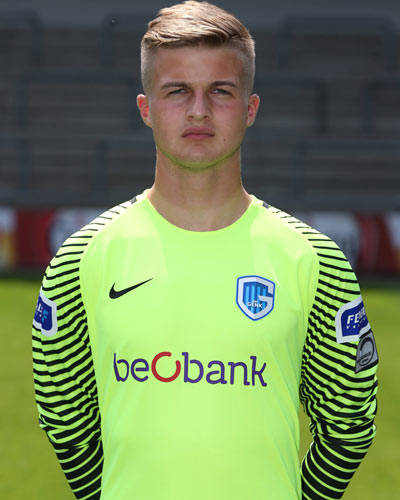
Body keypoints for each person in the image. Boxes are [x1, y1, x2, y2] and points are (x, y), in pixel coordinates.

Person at [32, 2, 378, 499]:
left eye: (221, 90)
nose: (199, 110)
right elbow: (63, 417)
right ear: (146, 108)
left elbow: (349, 424)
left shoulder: (315, 261)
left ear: (250, 109)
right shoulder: (80, 259)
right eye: (177, 91)